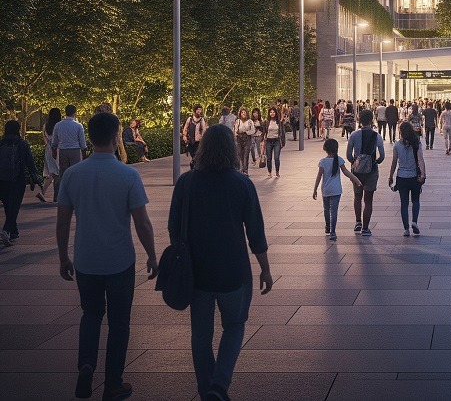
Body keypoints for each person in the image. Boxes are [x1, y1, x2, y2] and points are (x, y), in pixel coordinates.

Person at [56, 112, 157, 401]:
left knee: (91, 314)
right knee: (120, 322)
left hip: (85, 261)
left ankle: (86, 365)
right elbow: (142, 222)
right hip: (119, 261)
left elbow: (62, 222)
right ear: (116, 138)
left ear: (89, 138)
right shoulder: (128, 175)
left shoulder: (73, 175)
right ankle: (113, 383)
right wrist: (152, 255)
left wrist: (64, 257)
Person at [168, 124, 273, 401]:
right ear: (232, 150)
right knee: (235, 325)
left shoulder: (186, 183)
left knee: (200, 335)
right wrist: (265, 269)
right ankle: (220, 383)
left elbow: (173, 228)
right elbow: (256, 233)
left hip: (197, 273)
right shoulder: (241, 184)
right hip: (233, 271)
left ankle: (207, 390)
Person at [0, 121, 41, 245]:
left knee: (8, 205)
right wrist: (35, 176)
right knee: (14, 206)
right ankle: (6, 230)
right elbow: (29, 161)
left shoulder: (1, 143)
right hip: (18, 179)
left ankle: (14, 232)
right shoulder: (21, 143)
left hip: (2, 180)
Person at [346, 109, 385, 236]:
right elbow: (382, 156)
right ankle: (366, 228)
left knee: (357, 196)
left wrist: (355, 163)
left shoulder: (353, 135)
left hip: (357, 172)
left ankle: (358, 222)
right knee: (368, 200)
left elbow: (348, 155)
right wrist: (375, 162)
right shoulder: (377, 136)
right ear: (371, 120)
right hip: (371, 171)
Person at [313, 138, 361, 239]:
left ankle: (327, 227)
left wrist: (315, 189)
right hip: (336, 190)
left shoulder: (322, 162)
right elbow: (346, 172)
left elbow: (318, 177)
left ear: (324, 148)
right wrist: (356, 179)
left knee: (326, 209)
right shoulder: (339, 160)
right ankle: (333, 232)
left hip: (325, 190)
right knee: (334, 211)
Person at [388, 121, 427, 237]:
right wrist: (423, 174)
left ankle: (406, 229)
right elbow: (420, 160)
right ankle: (414, 222)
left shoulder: (397, 145)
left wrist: (390, 176)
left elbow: (394, 162)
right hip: (414, 177)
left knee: (404, 204)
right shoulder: (416, 143)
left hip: (401, 178)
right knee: (415, 200)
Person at [52, 104, 87, 179]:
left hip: (63, 150)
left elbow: (54, 141)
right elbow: (82, 143)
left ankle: (64, 188)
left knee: (63, 173)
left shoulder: (58, 125)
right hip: (75, 151)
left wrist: (54, 151)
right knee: (75, 172)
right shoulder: (78, 126)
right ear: (75, 113)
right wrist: (84, 155)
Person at [41, 107, 62, 201]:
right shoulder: (59, 125)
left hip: (48, 149)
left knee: (54, 172)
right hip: (56, 149)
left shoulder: (46, 125)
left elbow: (44, 137)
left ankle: (54, 195)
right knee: (55, 172)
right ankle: (43, 192)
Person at [182, 105, 208, 170]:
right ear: (194, 111)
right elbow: (185, 128)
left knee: (196, 154)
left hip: (198, 140)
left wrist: (203, 139)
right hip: (191, 140)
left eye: (200, 109)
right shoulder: (190, 119)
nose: (199, 111)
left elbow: (204, 130)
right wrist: (184, 136)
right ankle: (194, 164)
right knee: (192, 153)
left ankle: (194, 165)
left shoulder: (202, 120)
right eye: (198, 109)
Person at [264, 106, 286, 178]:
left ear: (276, 113)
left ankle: (277, 172)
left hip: (277, 141)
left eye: (273, 112)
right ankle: (269, 172)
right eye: (271, 112)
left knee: (276, 158)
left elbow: (282, 133)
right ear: (269, 113)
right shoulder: (266, 122)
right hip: (269, 141)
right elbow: (264, 132)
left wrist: (283, 143)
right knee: (268, 158)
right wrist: (263, 141)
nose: (272, 113)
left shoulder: (279, 122)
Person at [234, 107, 255, 175]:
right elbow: (235, 130)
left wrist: (247, 132)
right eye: (242, 112)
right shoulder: (238, 121)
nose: (243, 114)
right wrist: (236, 133)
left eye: (245, 112)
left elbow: (253, 130)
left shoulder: (250, 121)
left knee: (246, 155)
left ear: (247, 113)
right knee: (239, 154)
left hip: (247, 138)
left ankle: (245, 171)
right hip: (239, 139)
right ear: (240, 113)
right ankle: (241, 169)